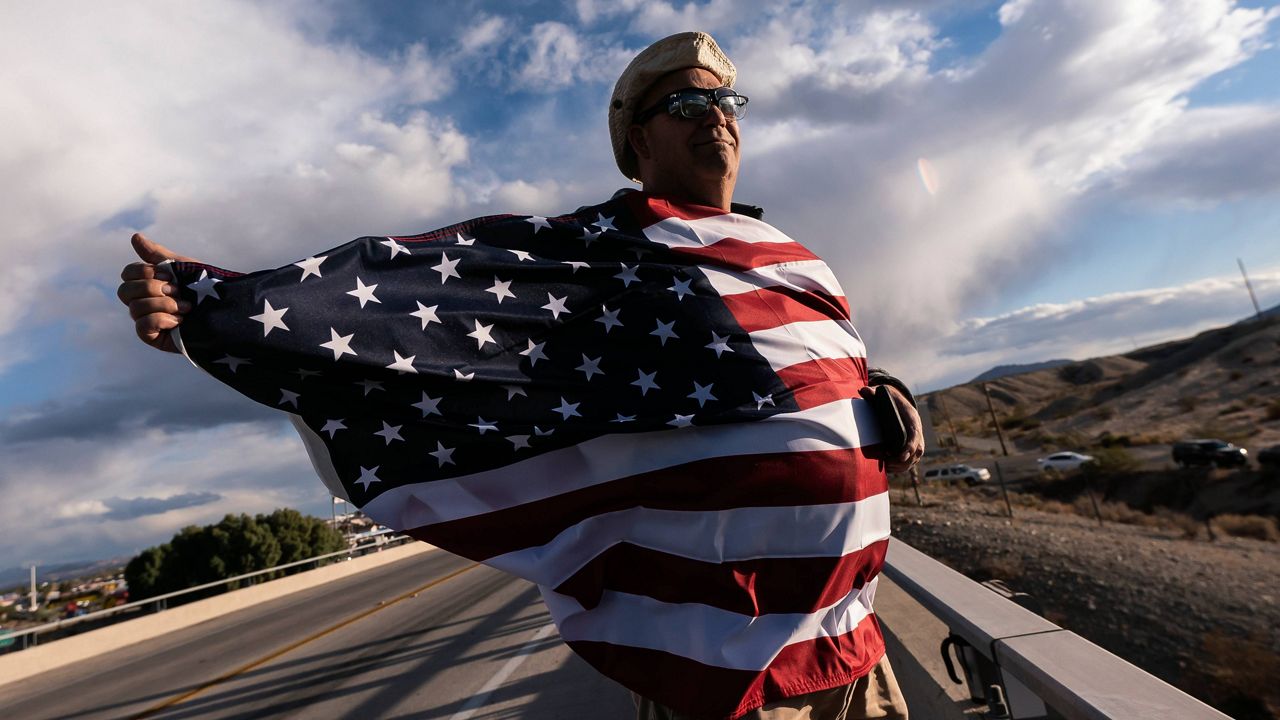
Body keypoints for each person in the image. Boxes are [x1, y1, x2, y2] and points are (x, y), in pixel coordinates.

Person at [119, 31, 920, 720]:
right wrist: (215, 313)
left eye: (726, 103)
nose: (715, 116)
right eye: (684, 105)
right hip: (736, 674)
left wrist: (882, 390)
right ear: (638, 144)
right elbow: (416, 313)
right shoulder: (602, 258)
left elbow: (820, 376)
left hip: (857, 645)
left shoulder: (792, 257)